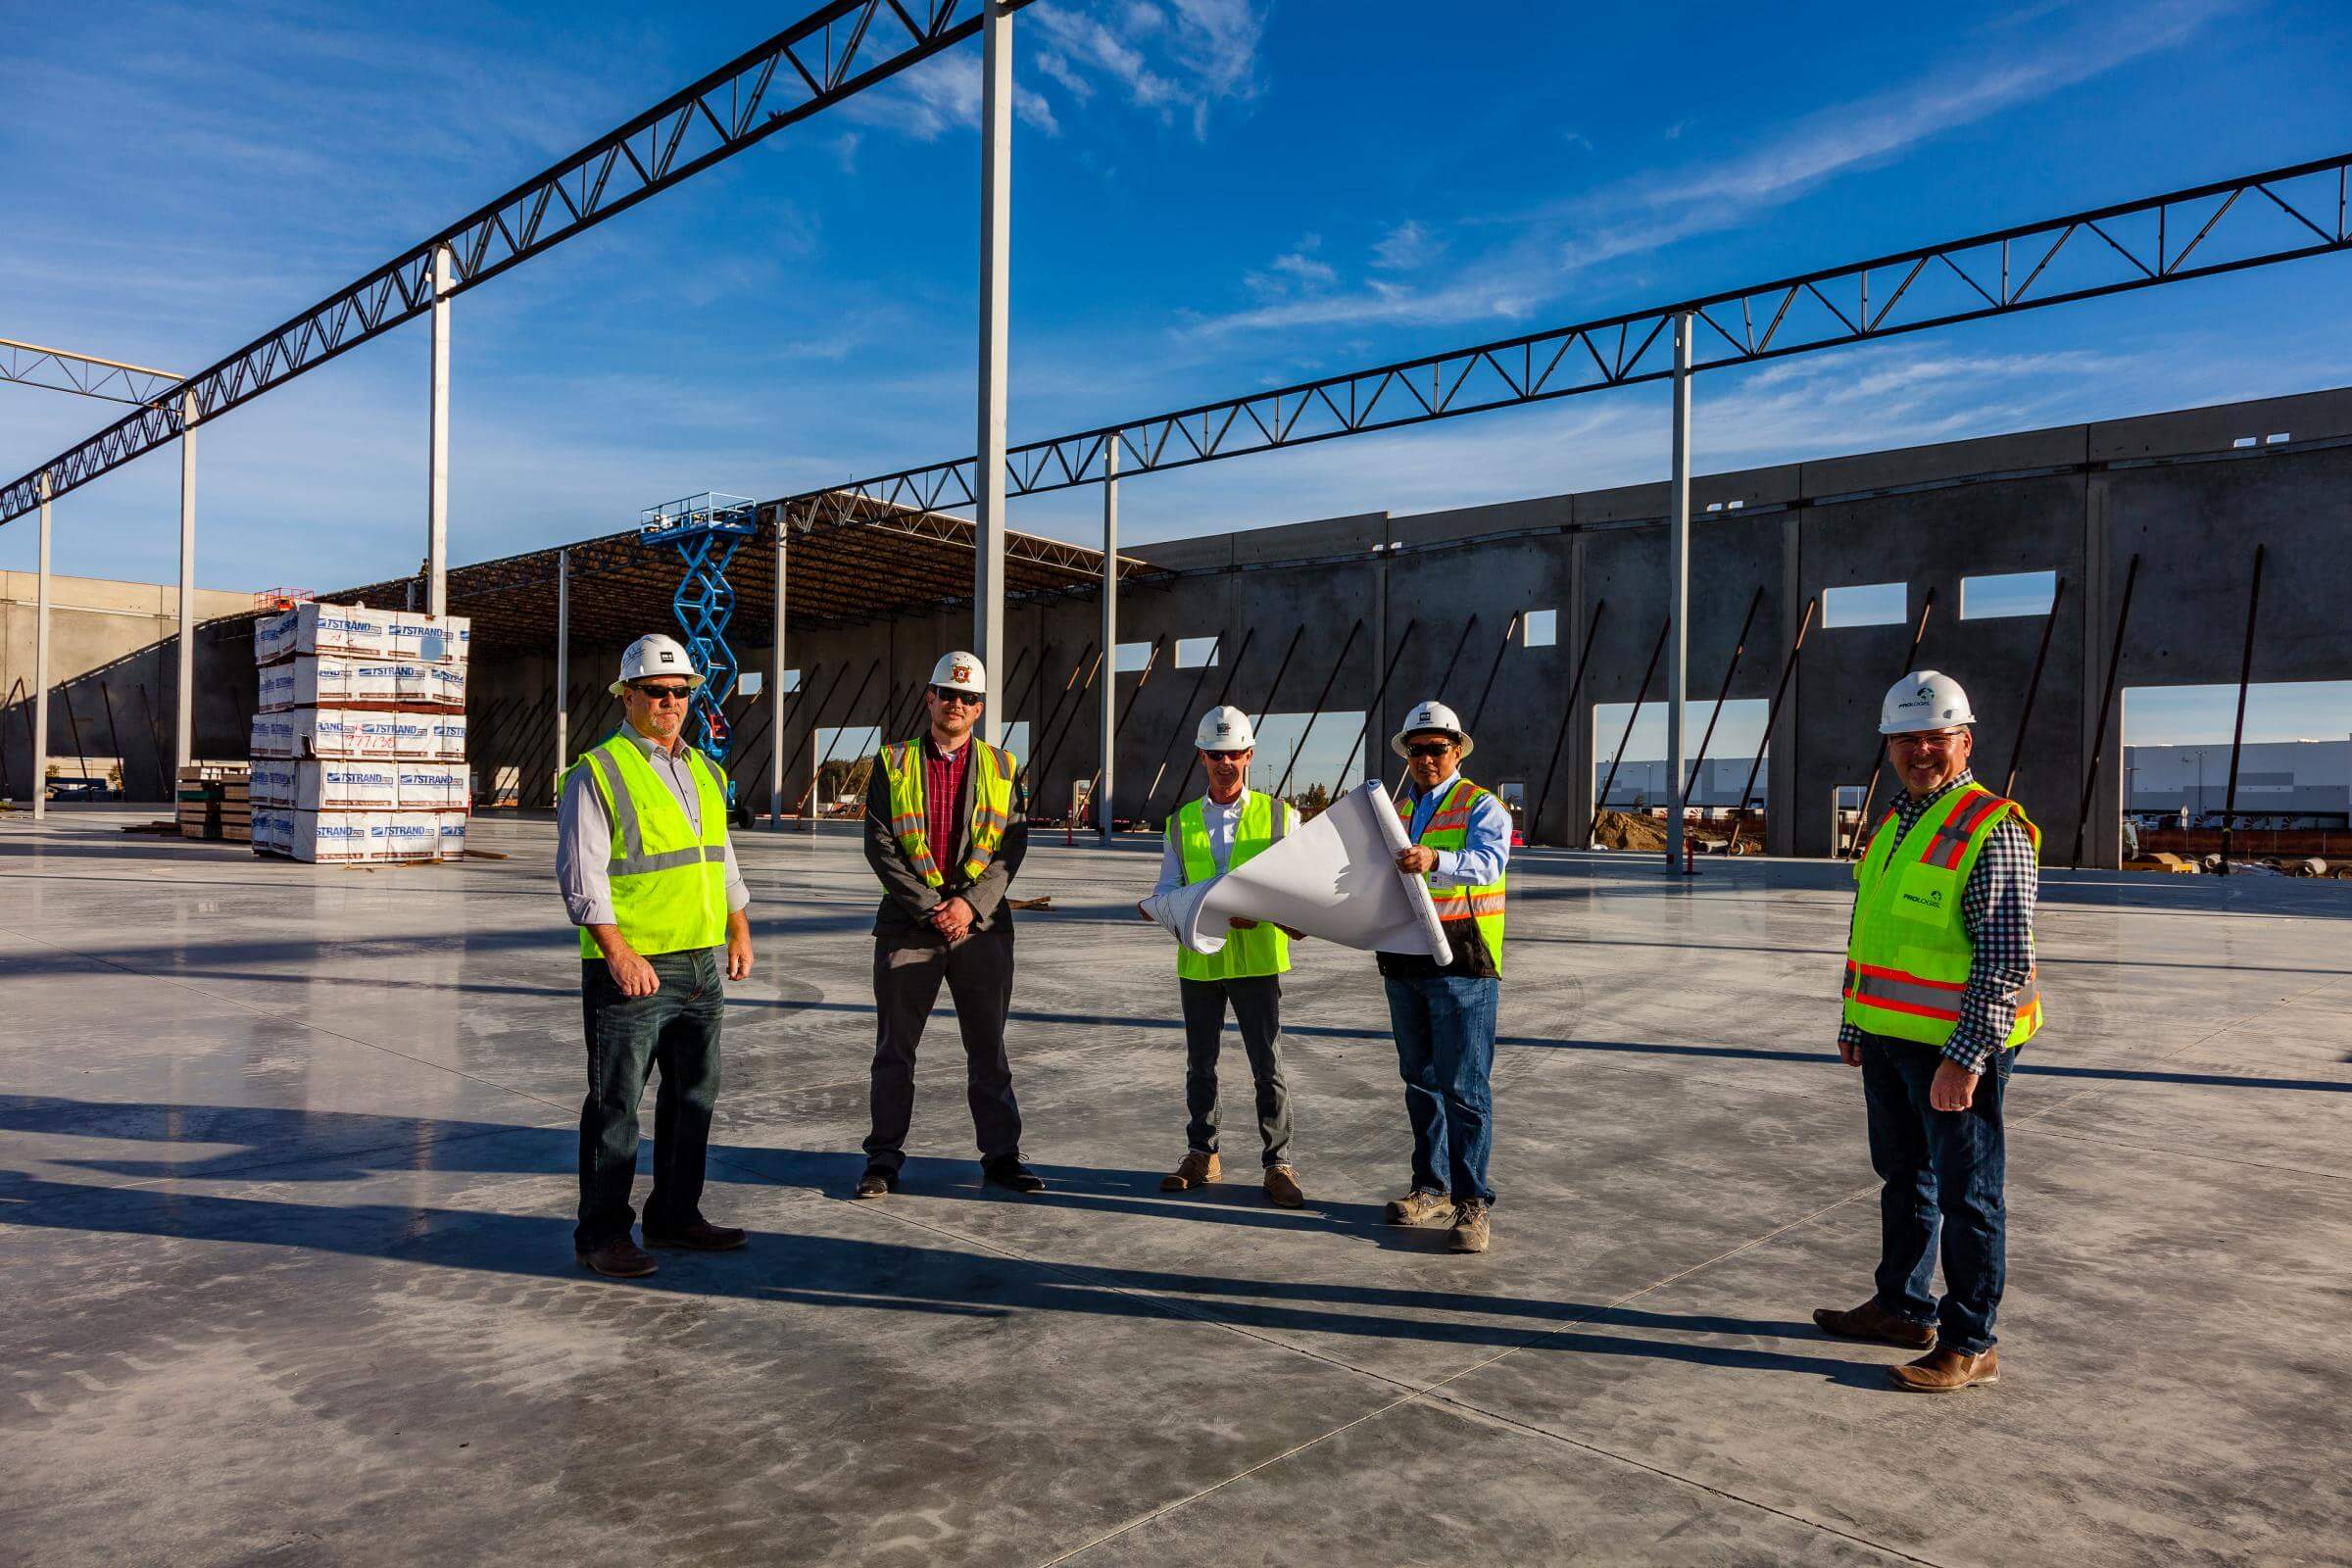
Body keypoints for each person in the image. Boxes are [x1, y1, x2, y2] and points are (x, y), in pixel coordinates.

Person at [1814, 669, 2041, 1393]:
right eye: (1906, 739)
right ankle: (1903, 1308)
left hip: (1954, 1049)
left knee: (1968, 1195)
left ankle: (1972, 1342)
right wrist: (1856, 1018)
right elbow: (1872, 931)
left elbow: (2005, 962)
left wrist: (1965, 1059)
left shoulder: (1991, 827)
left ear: (1963, 742)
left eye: (1934, 739)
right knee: (1903, 1177)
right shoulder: (1893, 822)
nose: (1920, 752)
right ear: (1888, 748)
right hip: (1887, 1038)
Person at [556, 633, 755, 1279]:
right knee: (616, 1105)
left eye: (680, 692)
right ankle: (602, 1235)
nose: (670, 702)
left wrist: (739, 924)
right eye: (655, 692)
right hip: (636, 970)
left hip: (700, 963)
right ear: (628, 695)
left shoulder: (706, 769)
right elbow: (580, 875)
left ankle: (674, 1214)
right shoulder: (598, 771)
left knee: (693, 1098)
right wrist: (617, 952)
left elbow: (718, 856)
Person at [854, 652, 1044, 1198]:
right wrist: (930, 907)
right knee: (895, 1051)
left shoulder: (1004, 768)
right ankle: (883, 1160)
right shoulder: (893, 764)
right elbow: (880, 844)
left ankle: (1002, 1157)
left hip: (981, 928)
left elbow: (1013, 846)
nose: (955, 704)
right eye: (947, 694)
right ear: (929, 698)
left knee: (988, 1049)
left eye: (967, 698)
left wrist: (968, 906)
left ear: (979, 708)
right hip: (908, 926)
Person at [1140, 707, 1307, 1208]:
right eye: (1216, 755)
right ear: (1202, 757)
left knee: (1267, 1065)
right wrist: (1201, 910)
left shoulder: (1282, 816)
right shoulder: (1180, 823)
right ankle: (1201, 1153)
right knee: (1200, 1066)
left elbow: (1298, 889)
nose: (1225, 763)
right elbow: (1166, 893)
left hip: (1257, 960)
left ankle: (1278, 1163)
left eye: (1234, 753)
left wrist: (1289, 916)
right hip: (1201, 961)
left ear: (1250, 755)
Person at [1378, 700, 1511, 1253]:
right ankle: (1429, 1189)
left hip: (1463, 964)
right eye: (1417, 749)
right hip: (1405, 960)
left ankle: (1472, 1202)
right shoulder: (1398, 810)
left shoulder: (1481, 805)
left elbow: (1489, 862)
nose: (1427, 757)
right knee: (1420, 1081)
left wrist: (1436, 859)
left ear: (1457, 750)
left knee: (1465, 1088)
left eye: (1437, 748)